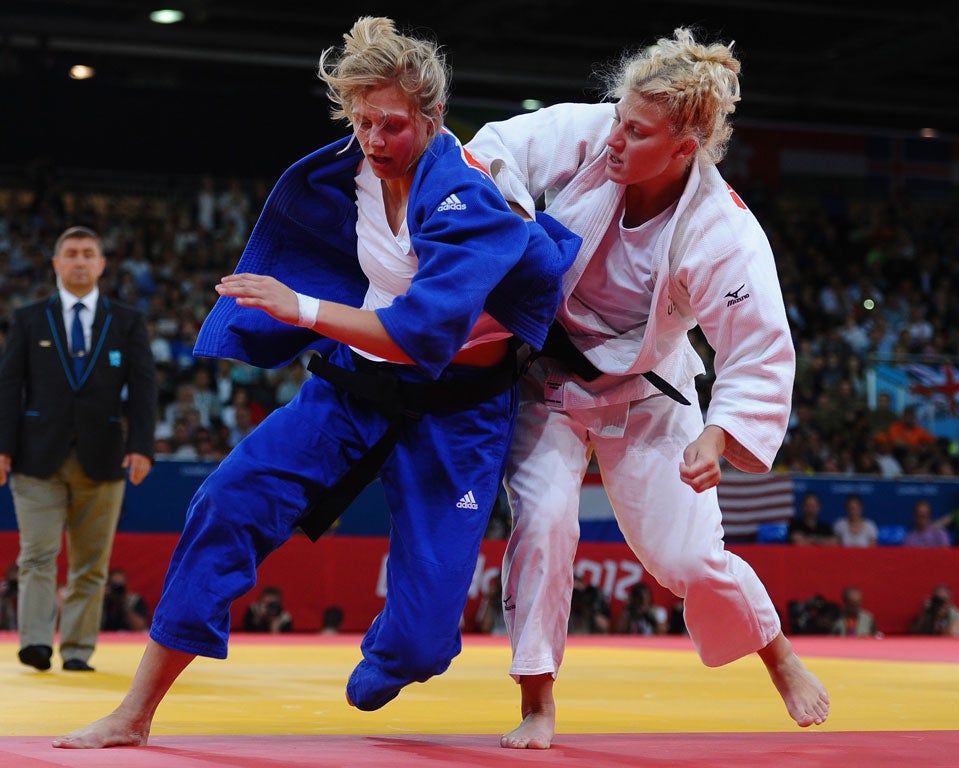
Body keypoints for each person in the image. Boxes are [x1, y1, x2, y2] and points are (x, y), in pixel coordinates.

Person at [53, 16, 577, 750]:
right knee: (226, 500)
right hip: (355, 386)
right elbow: (371, 305)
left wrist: (298, 306)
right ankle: (134, 712)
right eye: (361, 122)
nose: (374, 139)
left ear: (433, 117)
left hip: (458, 412)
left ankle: (397, 658)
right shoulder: (353, 163)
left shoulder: (470, 200)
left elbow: (420, 335)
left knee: (425, 643)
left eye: (392, 125)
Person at [466, 25, 829, 749]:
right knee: (544, 521)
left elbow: (756, 347)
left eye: (637, 132)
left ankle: (777, 654)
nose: (616, 139)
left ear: (684, 149)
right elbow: (490, 150)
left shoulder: (720, 230)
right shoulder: (590, 134)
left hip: (648, 390)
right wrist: (516, 218)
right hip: (550, 374)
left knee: (687, 559)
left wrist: (720, 432)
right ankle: (537, 703)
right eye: (619, 118)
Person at [0, 225, 157, 673]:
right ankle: (34, 642)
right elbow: (10, 387)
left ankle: (75, 649)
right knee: (37, 553)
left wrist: (142, 445)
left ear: (102, 264)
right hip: (36, 457)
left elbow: (143, 389)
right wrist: (2, 446)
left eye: (89, 253)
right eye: (71, 253)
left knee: (91, 563)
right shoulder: (29, 318)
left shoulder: (126, 321)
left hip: (103, 455)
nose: (80, 261)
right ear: (56, 264)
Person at [100, 567, 150, 632]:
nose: (117, 590)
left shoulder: (135, 600)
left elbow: (140, 628)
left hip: (130, 639)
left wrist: (123, 604)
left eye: (120, 586)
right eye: (114, 586)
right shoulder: (102, 601)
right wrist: (100, 598)